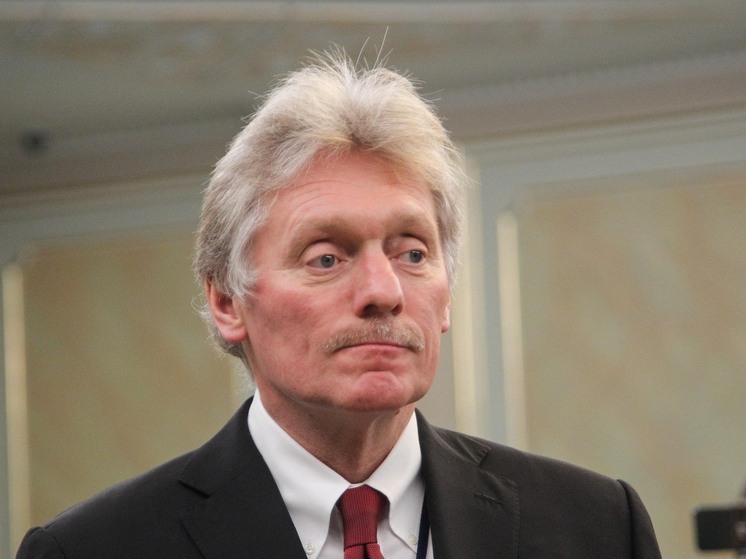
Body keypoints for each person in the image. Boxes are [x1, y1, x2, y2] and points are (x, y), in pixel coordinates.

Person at [16, 49, 661, 559]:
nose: (384, 292)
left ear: (447, 297)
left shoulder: (598, 526)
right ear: (227, 301)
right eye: (327, 258)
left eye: (413, 253)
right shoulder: (93, 549)